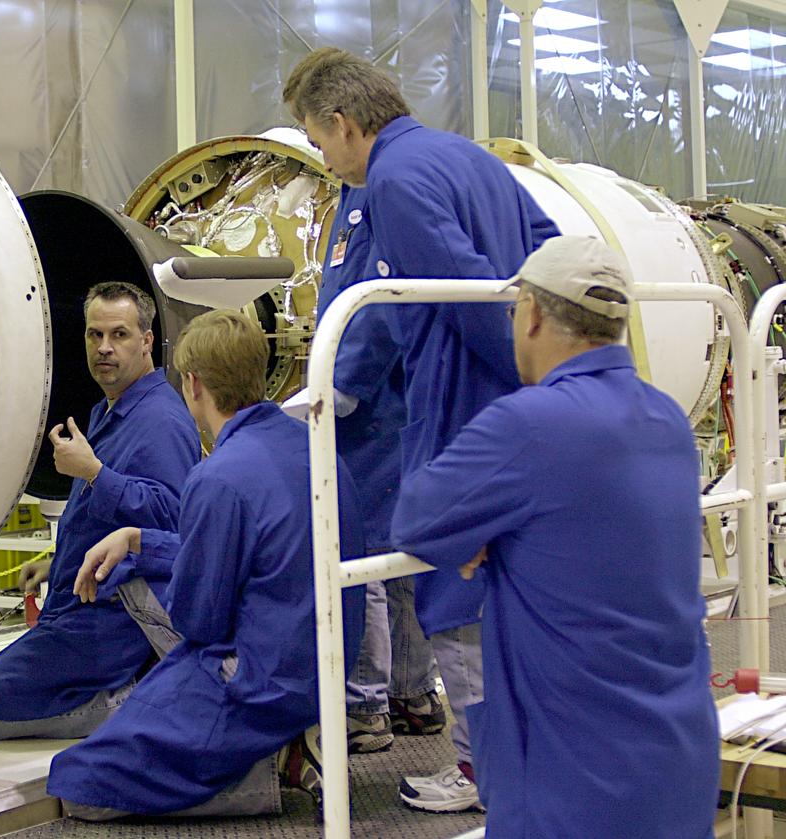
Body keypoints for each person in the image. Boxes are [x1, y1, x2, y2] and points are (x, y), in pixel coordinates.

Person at [283, 46, 559, 812]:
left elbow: (472, 299)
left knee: (456, 603)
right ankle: (515, 762)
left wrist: (528, 372)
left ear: (342, 124)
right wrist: (558, 383)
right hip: (513, 407)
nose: (325, 159)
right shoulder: (469, 158)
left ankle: (482, 774)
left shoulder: (394, 181)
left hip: (464, 408)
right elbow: (552, 253)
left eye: (317, 141)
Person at [390, 235, 719, 836]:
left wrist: (482, 530)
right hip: (680, 762)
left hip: (574, 781)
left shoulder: (528, 425)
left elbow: (414, 516)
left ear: (533, 313)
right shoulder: (667, 419)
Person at [46, 310, 366, 819]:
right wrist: (139, 540)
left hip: (256, 679)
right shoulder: (314, 446)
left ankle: (271, 770)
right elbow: (259, 554)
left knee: (80, 785)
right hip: (326, 666)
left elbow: (201, 621)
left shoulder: (218, 477)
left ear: (192, 384)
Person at [0, 282, 201, 739]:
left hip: (112, 618)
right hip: (76, 603)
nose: (104, 348)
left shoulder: (159, 421)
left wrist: (93, 473)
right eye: (94, 335)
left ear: (147, 340)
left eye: (120, 335)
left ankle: (133, 704)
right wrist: (55, 564)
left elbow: (173, 521)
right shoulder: (109, 410)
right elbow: (101, 517)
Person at [315, 184, 443, 755]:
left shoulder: (377, 195)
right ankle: (413, 696)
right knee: (394, 552)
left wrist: (342, 384)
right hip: (381, 408)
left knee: (362, 552)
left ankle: (367, 704)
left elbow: (378, 303)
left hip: (371, 409)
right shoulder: (354, 198)